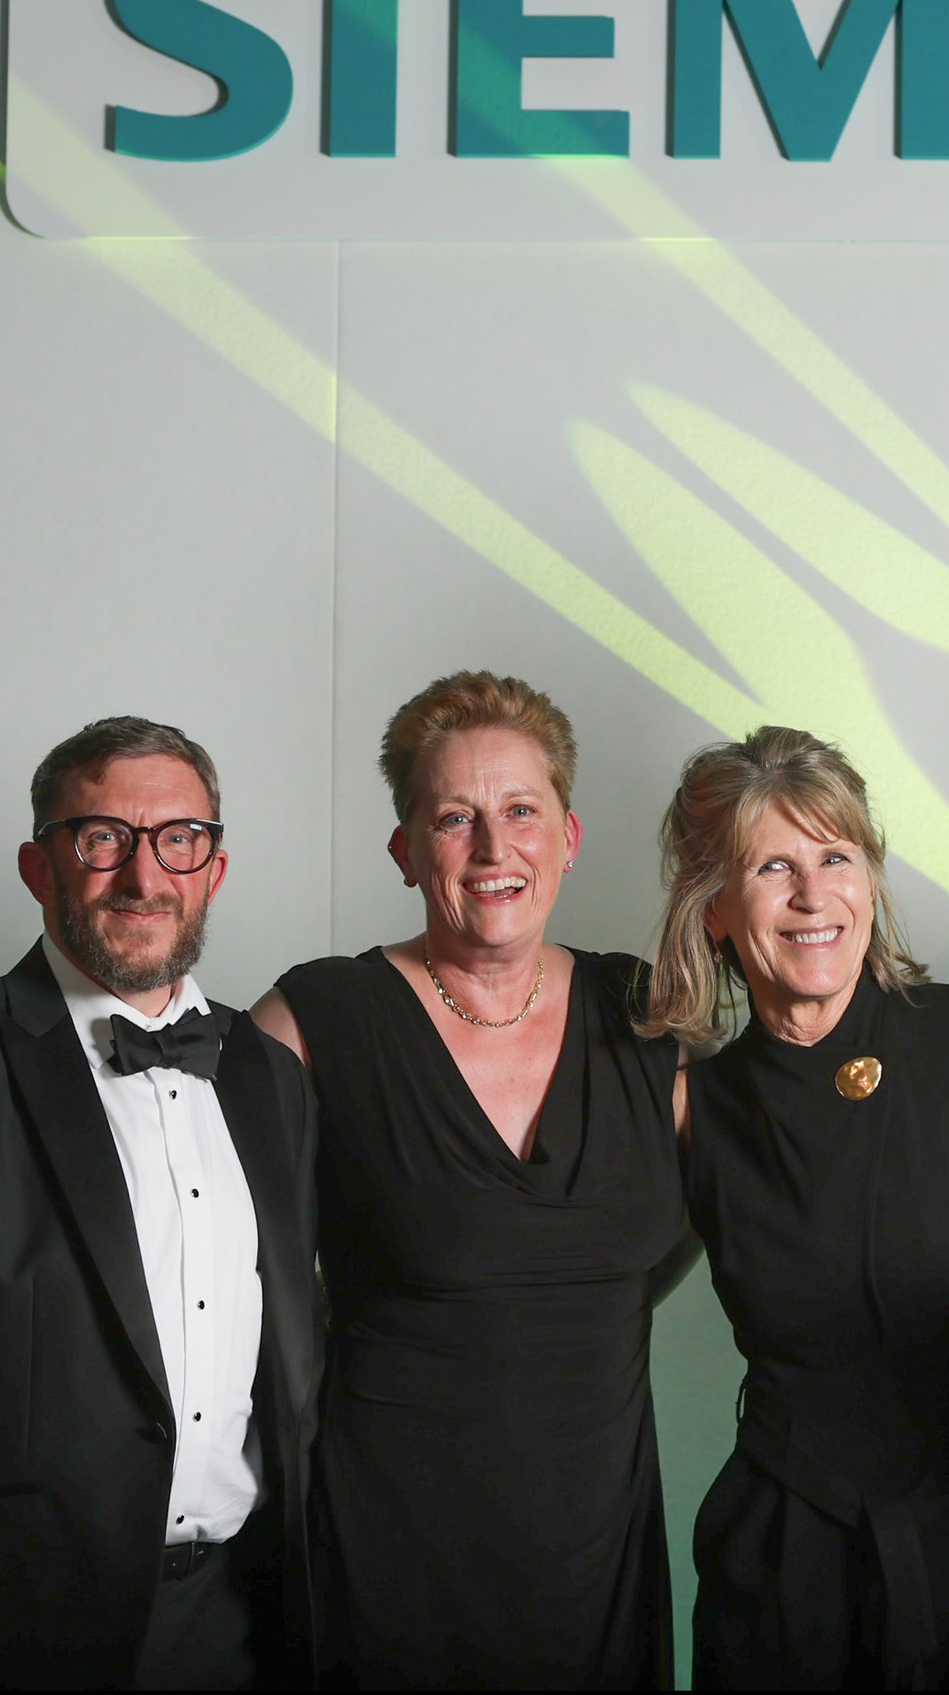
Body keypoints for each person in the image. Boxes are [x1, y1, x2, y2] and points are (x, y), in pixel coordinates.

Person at [0, 718, 320, 1691]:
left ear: (215, 866)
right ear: (40, 867)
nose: (143, 874)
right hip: (7, 1634)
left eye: (178, 838)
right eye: (101, 838)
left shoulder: (266, 1072)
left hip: (242, 1625)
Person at [252, 672, 686, 1689]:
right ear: (407, 850)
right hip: (385, 1558)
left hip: (598, 1562)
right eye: (455, 817)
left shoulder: (651, 1016)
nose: (495, 849)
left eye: (521, 811)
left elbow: (722, 1223)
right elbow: (225, 1278)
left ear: (568, 836)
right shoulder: (314, 1021)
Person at [643, 726, 949, 1690]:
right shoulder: (689, 1104)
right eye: (773, 866)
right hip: (789, 1557)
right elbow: (592, 1291)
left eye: (836, 856)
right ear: (715, 911)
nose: (814, 894)